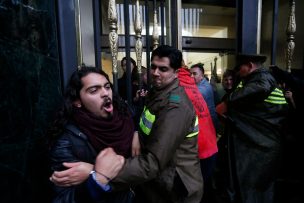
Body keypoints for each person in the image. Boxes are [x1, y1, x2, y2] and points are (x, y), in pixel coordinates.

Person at [51, 45, 203, 203]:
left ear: (176, 73)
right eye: (153, 67)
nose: (155, 73)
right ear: (76, 101)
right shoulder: (156, 92)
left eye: (163, 69)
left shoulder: (175, 108)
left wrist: (96, 173)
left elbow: (152, 163)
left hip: (173, 186)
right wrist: (137, 132)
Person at [49, 66, 139, 203]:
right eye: (94, 90)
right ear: (77, 102)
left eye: (107, 87)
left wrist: (137, 132)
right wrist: (97, 178)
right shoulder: (68, 141)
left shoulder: (125, 115)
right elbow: (64, 199)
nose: (105, 93)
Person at [216, 54, 288, 203]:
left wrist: (228, 103)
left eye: (240, 68)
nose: (238, 72)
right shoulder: (253, 79)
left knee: (255, 187)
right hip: (259, 143)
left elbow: (260, 89)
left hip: (264, 145)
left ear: (249, 66)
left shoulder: (262, 78)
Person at [178, 66, 218, 202]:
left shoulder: (179, 90)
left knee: (196, 189)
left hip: (199, 148)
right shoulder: (191, 86)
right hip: (209, 144)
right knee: (205, 186)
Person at [190, 63, 219, 132]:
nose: (191, 76)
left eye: (194, 74)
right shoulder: (197, 85)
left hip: (209, 123)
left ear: (202, 76)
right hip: (206, 121)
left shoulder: (204, 88)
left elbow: (190, 96)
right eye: (190, 74)